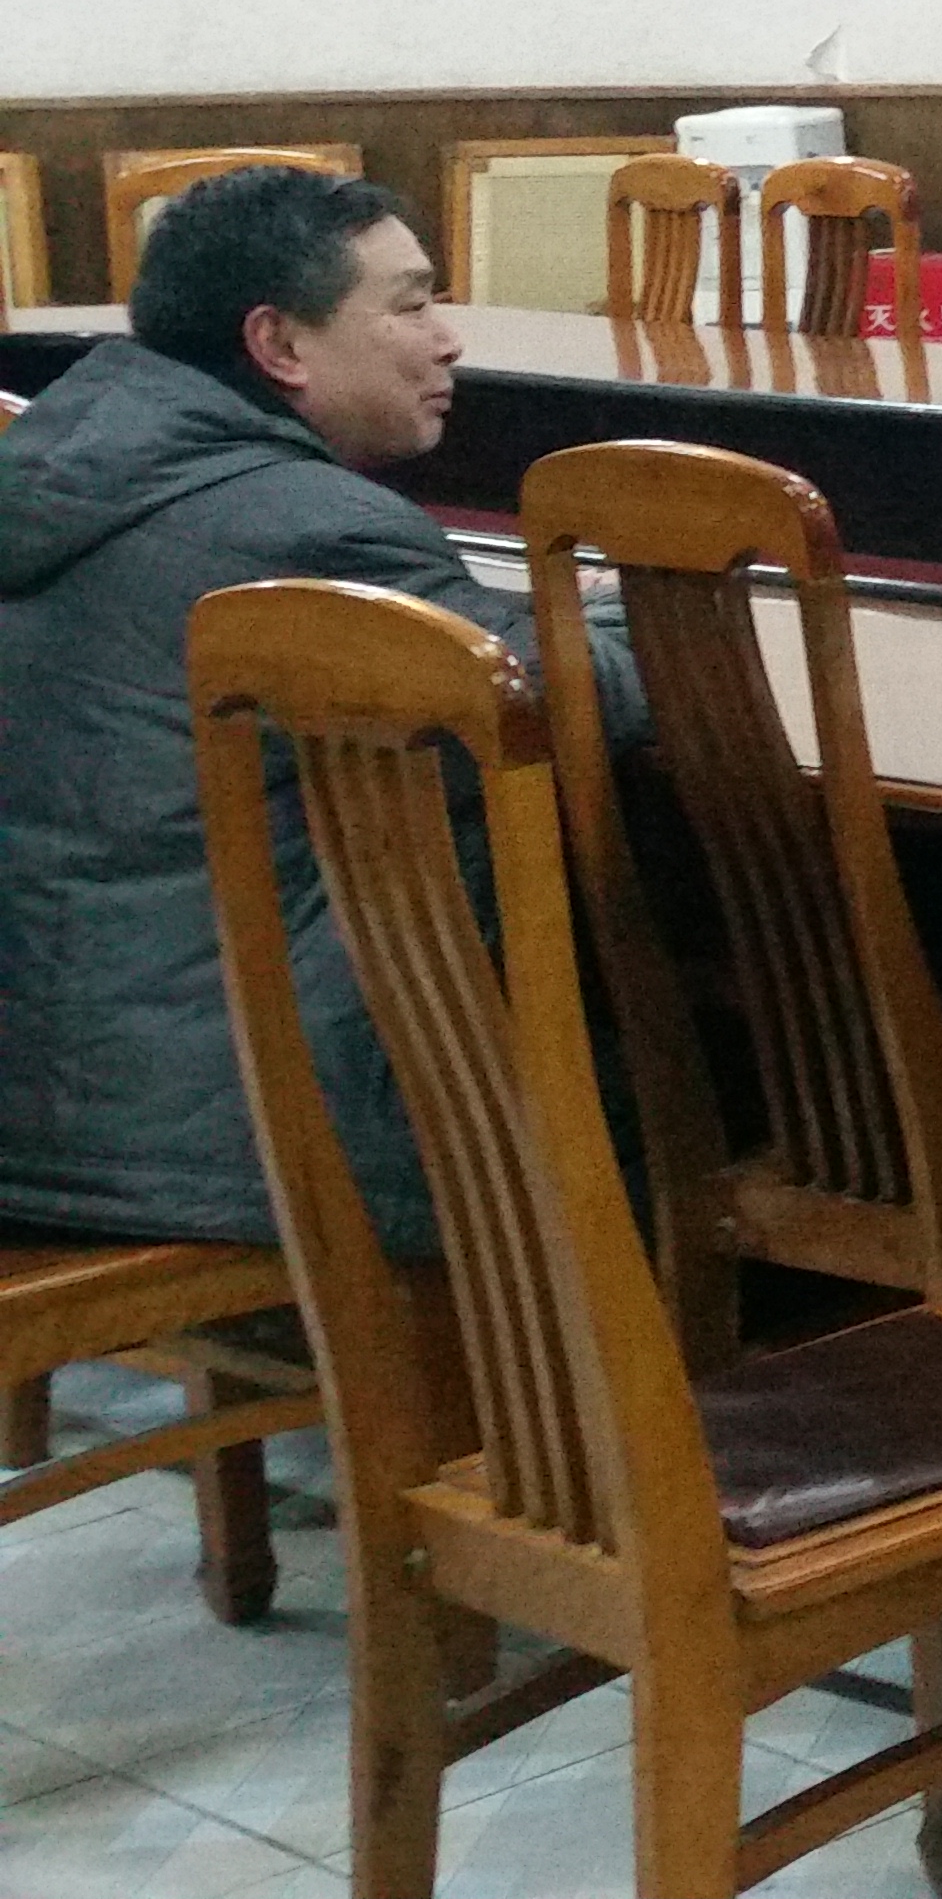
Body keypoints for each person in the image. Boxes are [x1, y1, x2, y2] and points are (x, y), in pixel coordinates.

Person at [0, 168, 640, 1256]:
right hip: (218, 1143)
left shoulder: (54, 471)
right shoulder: (318, 530)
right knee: (666, 1088)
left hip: (47, 1105)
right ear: (280, 344)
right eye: (410, 305)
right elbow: (573, 702)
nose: (448, 341)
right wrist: (619, 608)